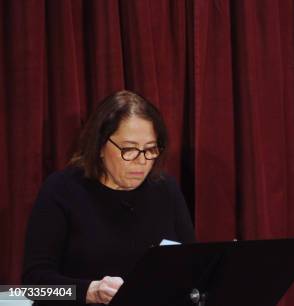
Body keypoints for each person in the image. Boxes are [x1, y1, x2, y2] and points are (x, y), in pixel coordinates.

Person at [22, 90, 196, 305]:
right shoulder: (61, 190)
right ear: (100, 146)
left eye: (150, 149)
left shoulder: (165, 189)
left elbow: (192, 267)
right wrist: (90, 292)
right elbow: (33, 287)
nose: (141, 161)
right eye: (129, 149)